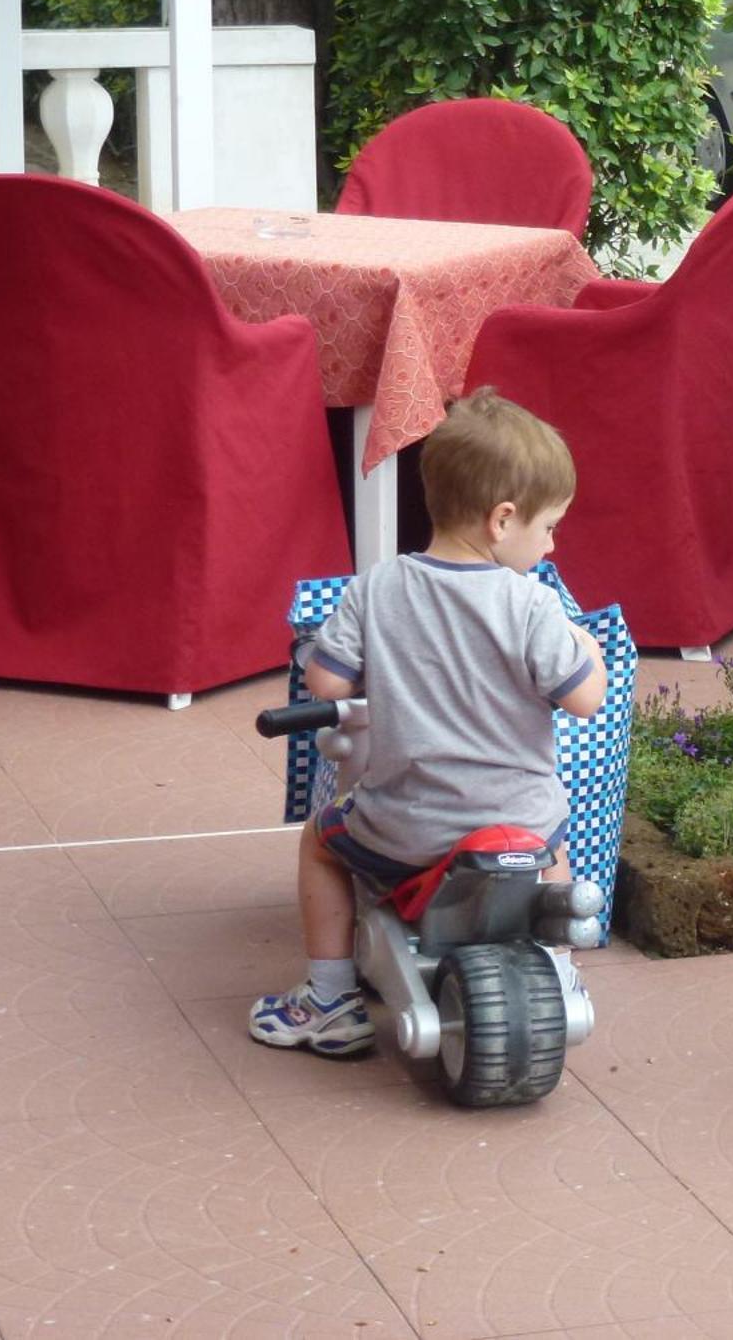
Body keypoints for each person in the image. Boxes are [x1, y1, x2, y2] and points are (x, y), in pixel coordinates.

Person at [249, 388, 607, 1057]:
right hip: (519, 825)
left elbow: (324, 681)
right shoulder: (533, 604)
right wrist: (585, 648)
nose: (552, 544)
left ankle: (328, 999)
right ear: (503, 520)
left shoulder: (376, 588)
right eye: (550, 526)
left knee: (322, 845)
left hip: (407, 827)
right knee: (554, 842)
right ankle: (561, 973)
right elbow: (585, 699)